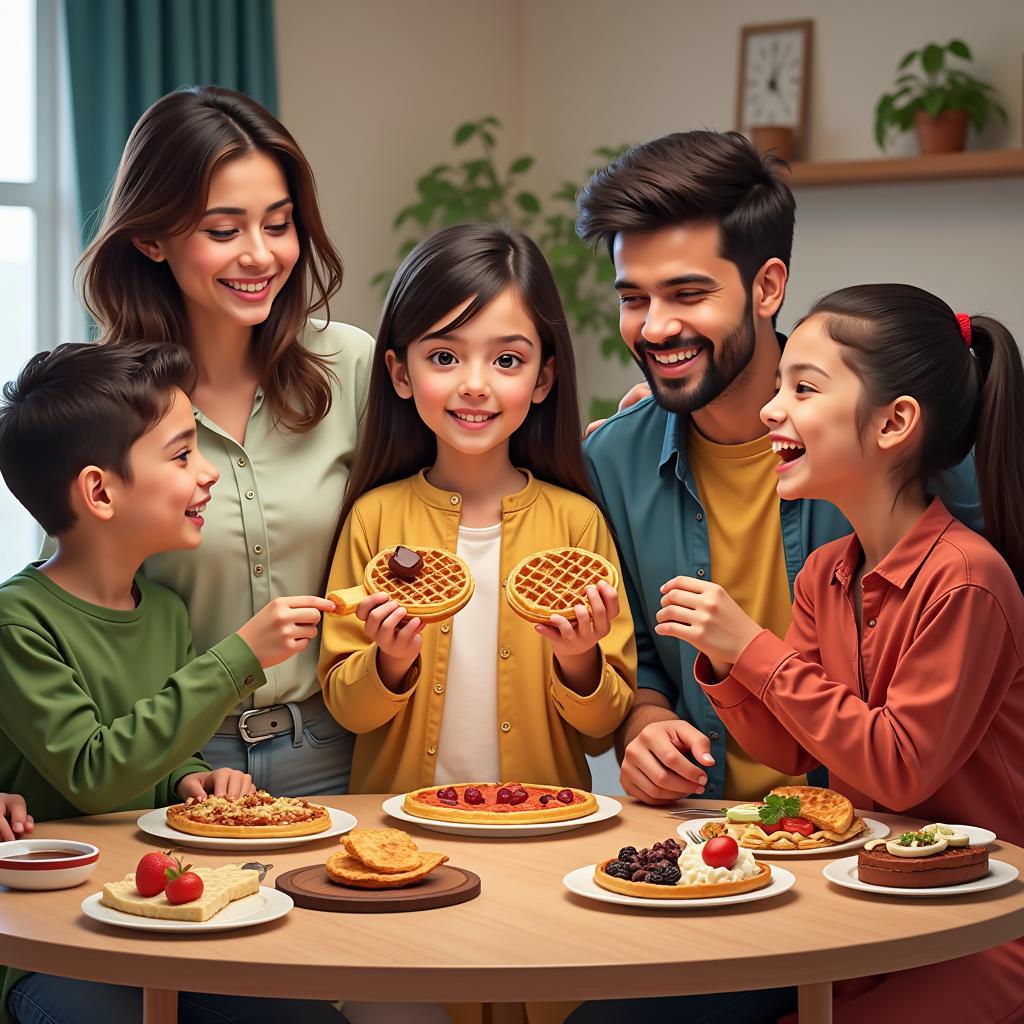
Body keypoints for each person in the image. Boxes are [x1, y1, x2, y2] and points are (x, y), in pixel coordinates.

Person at [576, 130, 980, 808]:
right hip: (708, 837)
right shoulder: (611, 459)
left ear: (767, 287)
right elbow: (638, 654)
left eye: (687, 293)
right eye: (634, 298)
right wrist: (644, 725)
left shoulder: (903, 448)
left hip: (888, 842)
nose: (653, 328)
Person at [658, 284, 1024, 1022]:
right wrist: (727, 662)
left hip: (978, 919)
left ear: (894, 423)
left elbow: (897, 764)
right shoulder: (827, 570)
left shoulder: (968, 580)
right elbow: (794, 751)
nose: (770, 407)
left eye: (804, 386)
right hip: (864, 899)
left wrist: (754, 650)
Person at [0, 342, 342, 1023]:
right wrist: (237, 657)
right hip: (55, 943)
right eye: (183, 454)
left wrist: (191, 779)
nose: (207, 473)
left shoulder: (161, 608)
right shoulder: (17, 619)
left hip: (162, 916)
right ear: (100, 491)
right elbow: (94, 773)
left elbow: (158, 746)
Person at [76, 86, 373, 796]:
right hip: (171, 766)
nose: (260, 255)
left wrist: (632, 425)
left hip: (343, 755)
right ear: (151, 237)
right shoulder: (100, 399)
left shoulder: (354, 364)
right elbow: (62, 605)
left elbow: (462, 495)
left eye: (278, 224)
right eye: (223, 229)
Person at [318, 222, 636, 797]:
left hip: (541, 825)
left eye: (507, 361)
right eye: (444, 355)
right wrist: (389, 662)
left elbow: (601, 729)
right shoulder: (373, 518)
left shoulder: (577, 521)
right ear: (399, 373)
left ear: (544, 378)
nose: (474, 385)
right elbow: (347, 710)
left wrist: (580, 659)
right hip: (402, 830)